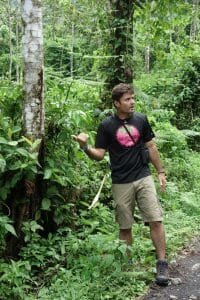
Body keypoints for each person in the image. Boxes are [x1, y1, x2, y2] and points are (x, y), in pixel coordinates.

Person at [73, 83, 168, 286]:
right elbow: (99, 155)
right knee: (125, 227)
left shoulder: (141, 120)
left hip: (143, 176)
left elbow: (151, 146)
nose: (132, 102)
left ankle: (161, 263)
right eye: (127, 99)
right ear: (116, 103)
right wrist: (85, 147)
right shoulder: (106, 125)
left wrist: (160, 171)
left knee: (156, 219)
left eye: (133, 98)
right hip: (121, 182)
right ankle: (127, 265)